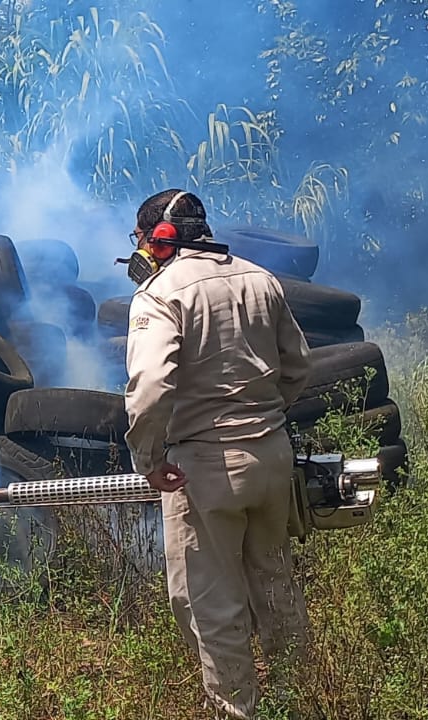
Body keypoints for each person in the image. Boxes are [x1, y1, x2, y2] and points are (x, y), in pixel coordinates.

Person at [121, 189, 314, 719]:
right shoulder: (260, 278)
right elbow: (298, 368)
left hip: (202, 469)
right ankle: (300, 700)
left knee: (211, 605)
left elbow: (151, 388)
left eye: (139, 241)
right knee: (275, 582)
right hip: (273, 459)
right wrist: (265, 420)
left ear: (158, 240)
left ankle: (239, 712)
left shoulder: (158, 295)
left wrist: (148, 457)